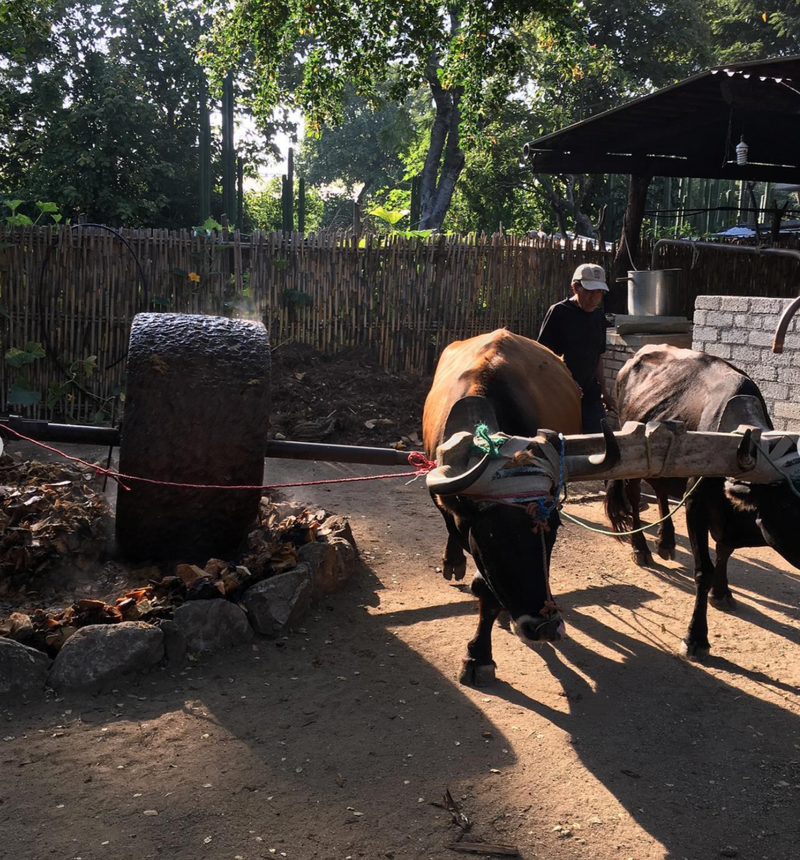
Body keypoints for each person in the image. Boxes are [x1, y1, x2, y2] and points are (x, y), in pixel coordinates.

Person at [537, 262, 615, 433]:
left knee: (599, 443)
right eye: (589, 291)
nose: (594, 298)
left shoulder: (598, 317)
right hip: (559, 394)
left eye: (599, 292)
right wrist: (567, 381)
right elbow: (543, 356)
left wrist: (603, 390)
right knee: (564, 445)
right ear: (575, 287)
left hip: (590, 396)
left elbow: (598, 356)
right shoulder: (559, 312)